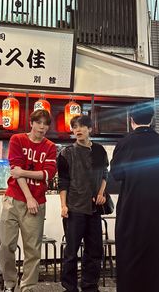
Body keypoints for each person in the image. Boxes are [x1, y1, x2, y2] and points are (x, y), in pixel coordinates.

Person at [110, 102, 159, 292]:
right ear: (152, 119)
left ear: (131, 120)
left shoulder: (124, 143)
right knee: (158, 258)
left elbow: (116, 175)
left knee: (131, 255)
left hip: (133, 212)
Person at [0, 109, 57, 292]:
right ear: (31, 123)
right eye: (39, 122)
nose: (42, 127)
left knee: (33, 249)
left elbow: (48, 173)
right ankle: (9, 283)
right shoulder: (17, 139)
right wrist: (28, 196)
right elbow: (15, 168)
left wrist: (22, 172)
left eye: (46, 124)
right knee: (6, 245)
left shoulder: (50, 146)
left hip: (37, 203)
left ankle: (28, 287)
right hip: (13, 199)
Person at [57, 115, 109, 292]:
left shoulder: (100, 150)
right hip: (74, 208)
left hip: (94, 209)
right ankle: (69, 287)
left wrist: (101, 193)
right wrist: (63, 205)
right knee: (71, 252)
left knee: (94, 251)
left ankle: (90, 286)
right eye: (74, 127)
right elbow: (62, 182)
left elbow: (104, 175)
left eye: (81, 126)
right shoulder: (66, 153)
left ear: (89, 129)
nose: (77, 130)